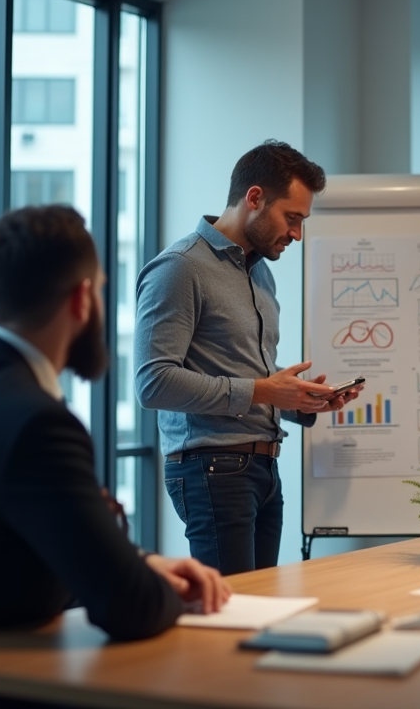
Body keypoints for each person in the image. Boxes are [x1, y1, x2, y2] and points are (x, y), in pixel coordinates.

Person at [0, 205, 229, 708]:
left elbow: (11, 549)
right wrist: (146, 582)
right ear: (81, 299)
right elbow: (128, 607)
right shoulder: (35, 421)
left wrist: (141, 563)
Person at [134, 140, 361, 576]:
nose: (297, 234)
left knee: (257, 611)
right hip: (213, 469)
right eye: (291, 218)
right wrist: (265, 389)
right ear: (254, 198)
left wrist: (297, 399)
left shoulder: (261, 275)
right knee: (231, 617)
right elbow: (153, 382)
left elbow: (246, 377)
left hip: (263, 469)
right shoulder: (179, 268)